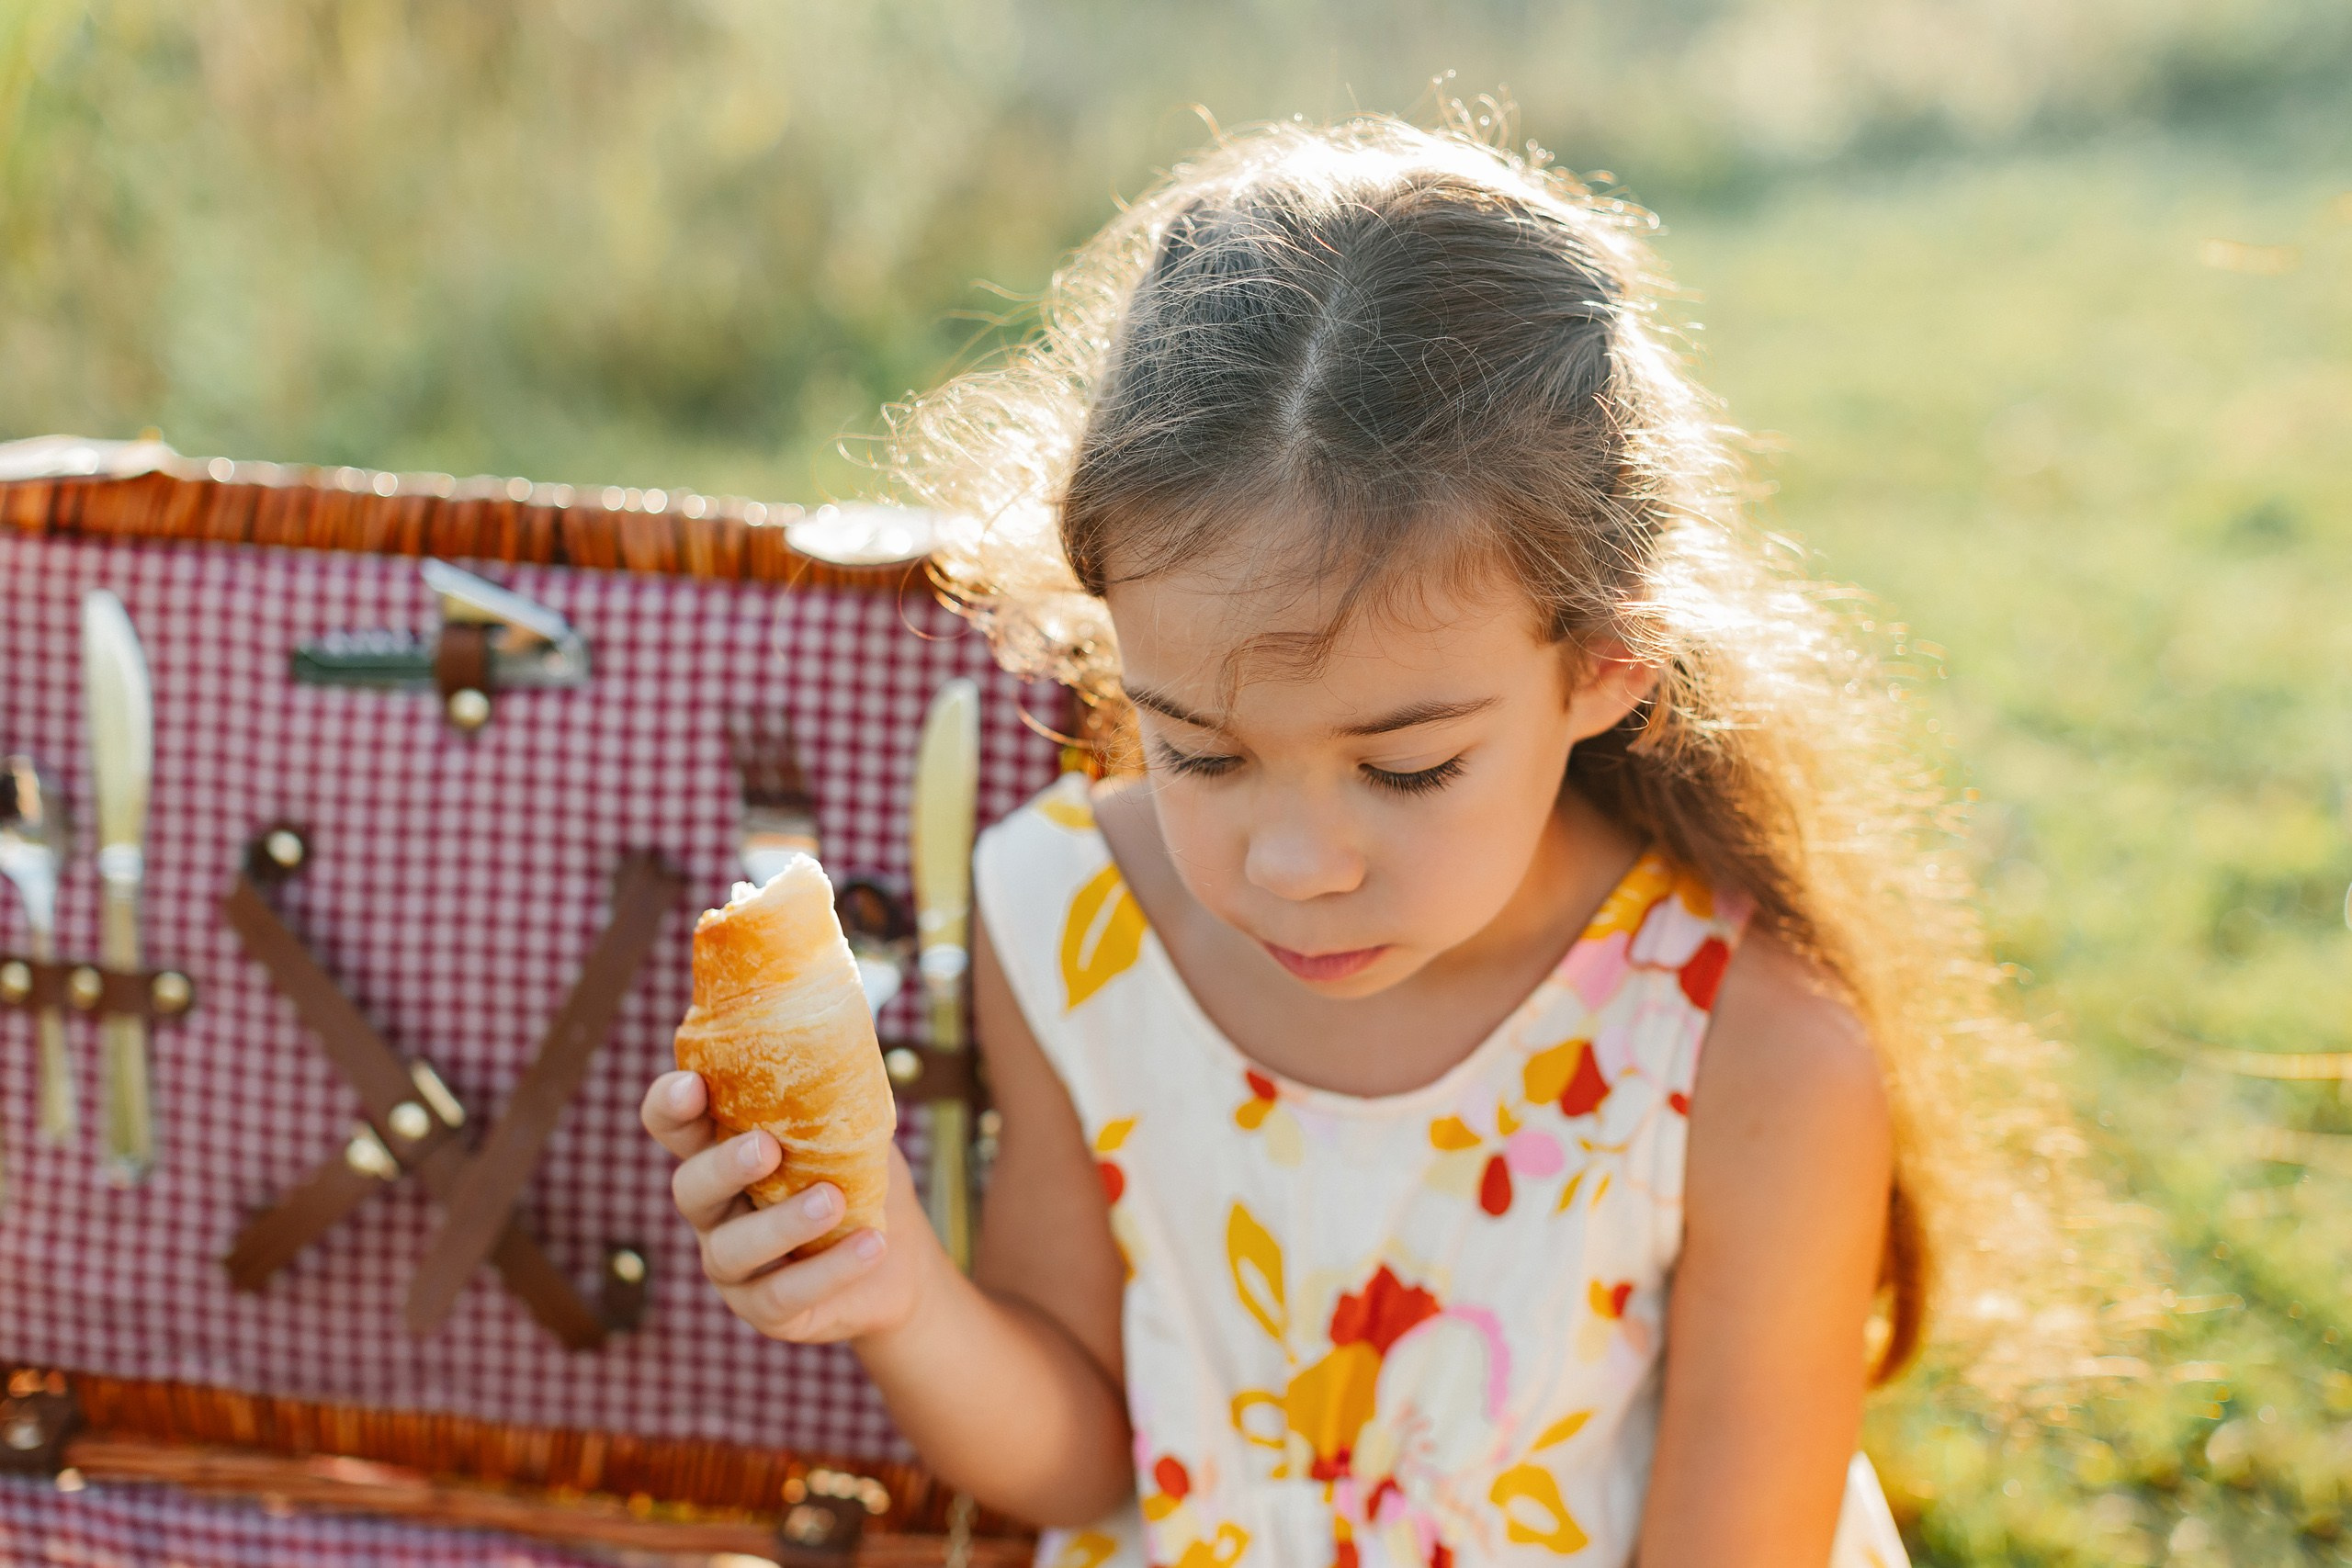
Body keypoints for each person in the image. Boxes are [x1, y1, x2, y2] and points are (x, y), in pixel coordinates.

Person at [644, 113, 2077, 1567]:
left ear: (1605, 664)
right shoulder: (1070, 916)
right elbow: (1082, 1461)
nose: (1292, 865)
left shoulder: (1749, 1048)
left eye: (1406, 769)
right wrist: (893, 1284)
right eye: (1200, 751)